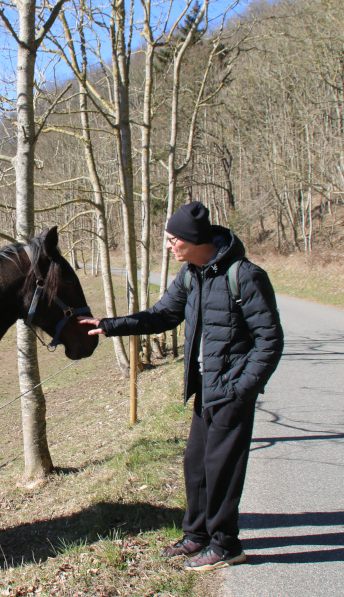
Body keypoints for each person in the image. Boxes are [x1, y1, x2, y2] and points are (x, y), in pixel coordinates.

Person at [79, 201, 283, 571]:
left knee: (222, 469)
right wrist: (110, 325)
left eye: (173, 240)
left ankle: (225, 545)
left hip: (231, 391)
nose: (169, 247)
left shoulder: (245, 276)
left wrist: (242, 389)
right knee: (196, 465)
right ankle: (196, 536)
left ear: (193, 240)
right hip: (206, 388)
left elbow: (270, 340)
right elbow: (163, 315)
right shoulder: (192, 275)